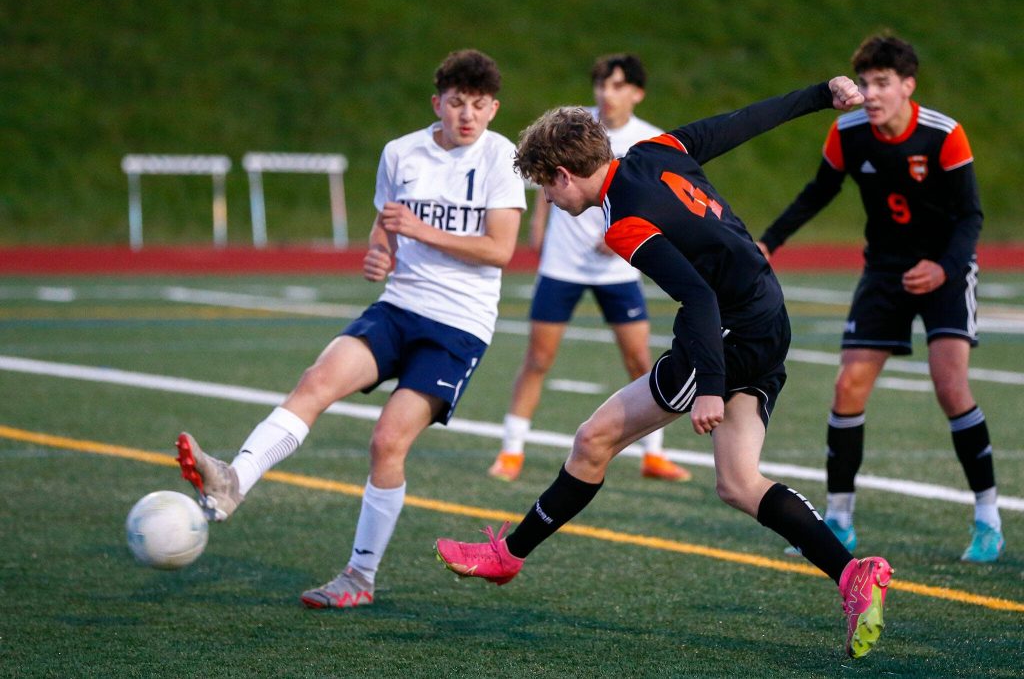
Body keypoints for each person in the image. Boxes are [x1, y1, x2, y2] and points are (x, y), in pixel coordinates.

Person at [435, 76, 895, 660]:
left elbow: (698, 297)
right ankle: (854, 573)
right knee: (737, 481)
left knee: (593, 440)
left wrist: (708, 386)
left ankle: (509, 555)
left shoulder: (622, 221)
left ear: (562, 175)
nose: (547, 203)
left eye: (545, 191)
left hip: (724, 332)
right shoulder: (657, 151)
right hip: (768, 318)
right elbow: (743, 120)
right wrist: (818, 95)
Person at [175, 49, 526, 609]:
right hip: (399, 305)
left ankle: (359, 579)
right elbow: (386, 222)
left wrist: (417, 231)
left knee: (387, 442)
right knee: (315, 381)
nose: (468, 116)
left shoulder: (501, 157)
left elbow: (500, 249)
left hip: (458, 326)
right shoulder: (401, 153)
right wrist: (379, 252)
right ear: (437, 103)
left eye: (479, 106)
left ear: (493, 108)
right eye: (457, 103)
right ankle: (233, 481)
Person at [755, 35, 1003, 563]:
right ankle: (839, 519)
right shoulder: (847, 132)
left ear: (908, 86)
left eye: (882, 83)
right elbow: (817, 192)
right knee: (848, 385)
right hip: (885, 271)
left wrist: (943, 268)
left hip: (946, 268)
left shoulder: (944, 136)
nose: (870, 93)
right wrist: (768, 242)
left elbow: (971, 217)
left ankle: (987, 516)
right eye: (864, 82)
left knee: (950, 384)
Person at [489, 53, 690, 483]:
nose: (606, 93)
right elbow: (546, 178)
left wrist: (624, 231)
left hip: (619, 268)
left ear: (637, 93)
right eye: (601, 84)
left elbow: (663, 201)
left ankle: (653, 455)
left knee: (639, 358)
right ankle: (511, 450)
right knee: (538, 358)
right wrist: (538, 225)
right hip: (562, 265)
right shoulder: (576, 129)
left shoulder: (648, 140)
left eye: (617, 85)